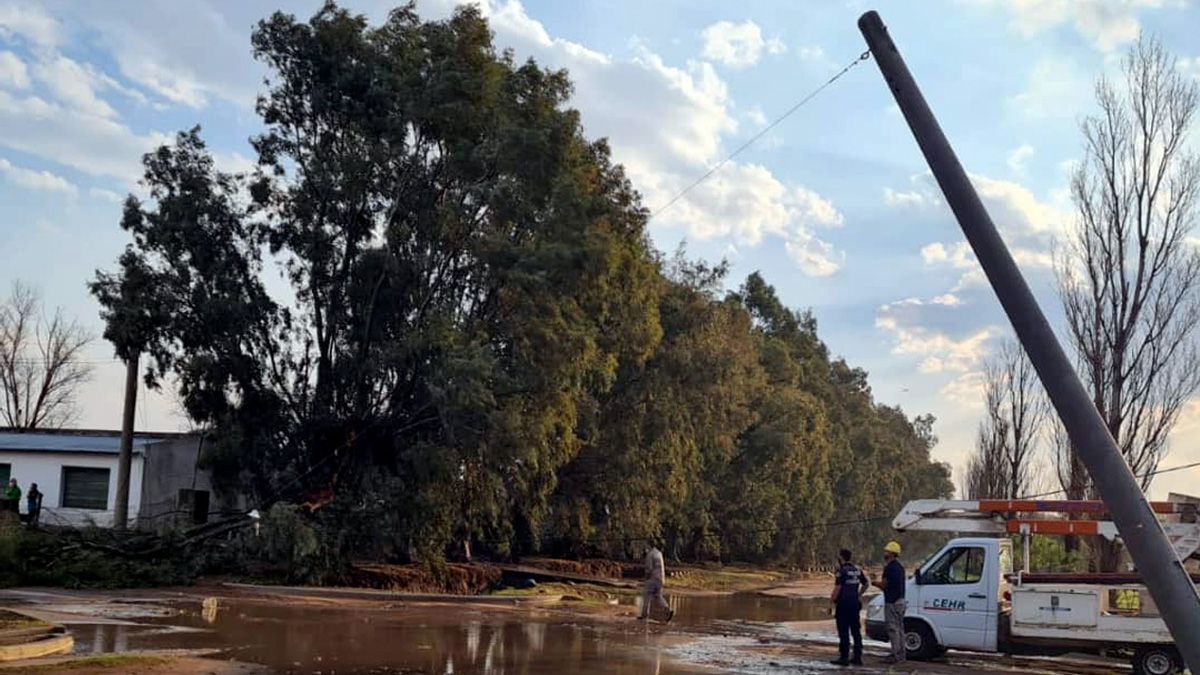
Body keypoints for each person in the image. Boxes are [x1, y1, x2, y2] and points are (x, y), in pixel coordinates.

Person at [829, 548, 869, 666]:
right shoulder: (857, 569)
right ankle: (857, 657)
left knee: (843, 631)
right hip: (854, 604)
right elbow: (866, 584)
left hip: (843, 605)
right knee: (856, 631)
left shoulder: (842, 571)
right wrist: (859, 594)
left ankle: (844, 657)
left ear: (841, 558)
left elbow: (838, 588)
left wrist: (831, 602)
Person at [872, 540, 907, 664]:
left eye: (887, 551)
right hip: (901, 601)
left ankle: (895, 655)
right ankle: (902, 655)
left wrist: (874, 582)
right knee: (900, 629)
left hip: (892, 602)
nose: (885, 553)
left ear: (892, 553)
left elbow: (884, 585)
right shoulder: (900, 567)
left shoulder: (889, 568)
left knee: (893, 629)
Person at [639, 543, 675, 623]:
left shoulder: (650, 554)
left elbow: (649, 569)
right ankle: (668, 610)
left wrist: (645, 578)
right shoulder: (659, 553)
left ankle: (644, 615)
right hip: (661, 578)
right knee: (658, 596)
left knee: (646, 595)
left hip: (653, 578)